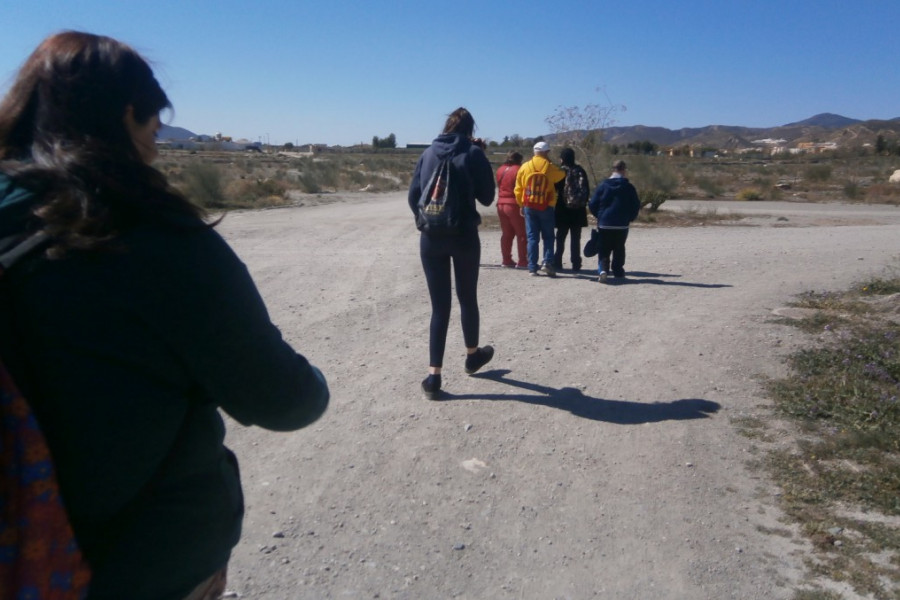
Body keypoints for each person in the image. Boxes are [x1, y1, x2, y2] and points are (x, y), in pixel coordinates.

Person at [0, 32, 329, 600]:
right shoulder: (147, 236)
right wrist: (316, 385)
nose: (154, 149)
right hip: (138, 561)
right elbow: (283, 398)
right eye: (153, 129)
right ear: (128, 114)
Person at [408, 108, 495, 399]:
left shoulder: (428, 153)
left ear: (446, 126)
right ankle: (472, 356)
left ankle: (434, 377)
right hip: (464, 237)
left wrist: (431, 222)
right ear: (470, 130)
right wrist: (480, 156)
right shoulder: (473, 153)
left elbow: (413, 196)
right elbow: (486, 197)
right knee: (467, 298)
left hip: (431, 239)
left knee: (439, 307)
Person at [514, 141, 566, 277]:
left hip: (529, 205)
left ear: (534, 152)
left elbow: (518, 189)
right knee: (548, 237)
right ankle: (547, 263)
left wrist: (521, 205)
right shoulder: (550, 167)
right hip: (546, 205)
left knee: (532, 237)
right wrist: (549, 162)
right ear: (546, 152)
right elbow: (561, 175)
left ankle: (532, 267)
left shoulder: (524, 167)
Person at [588, 159, 641, 283]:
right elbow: (635, 204)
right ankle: (618, 271)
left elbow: (592, 203)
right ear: (623, 170)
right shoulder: (628, 187)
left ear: (613, 169)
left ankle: (603, 270)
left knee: (604, 248)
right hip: (622, 224)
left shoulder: (603, 185)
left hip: (605, 223)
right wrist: (630, 217)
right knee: (619, 247)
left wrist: (599, 216)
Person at [553, 147, 590, 271]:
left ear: (562, 159)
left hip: (562, 208)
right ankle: (576, 263)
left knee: (560, 237)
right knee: (575, 238)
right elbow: (587, 191)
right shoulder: (580, 171)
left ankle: (557, 262)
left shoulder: (560, 172)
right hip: (577, 210)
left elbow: (555, 189)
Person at [495, 151, 526, 268]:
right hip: (513, 204)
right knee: (522, 234)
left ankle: (506, 259)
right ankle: (523, 260)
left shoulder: (500, 170)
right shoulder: (519, 169)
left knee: (507, 234)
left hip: (501, 203)